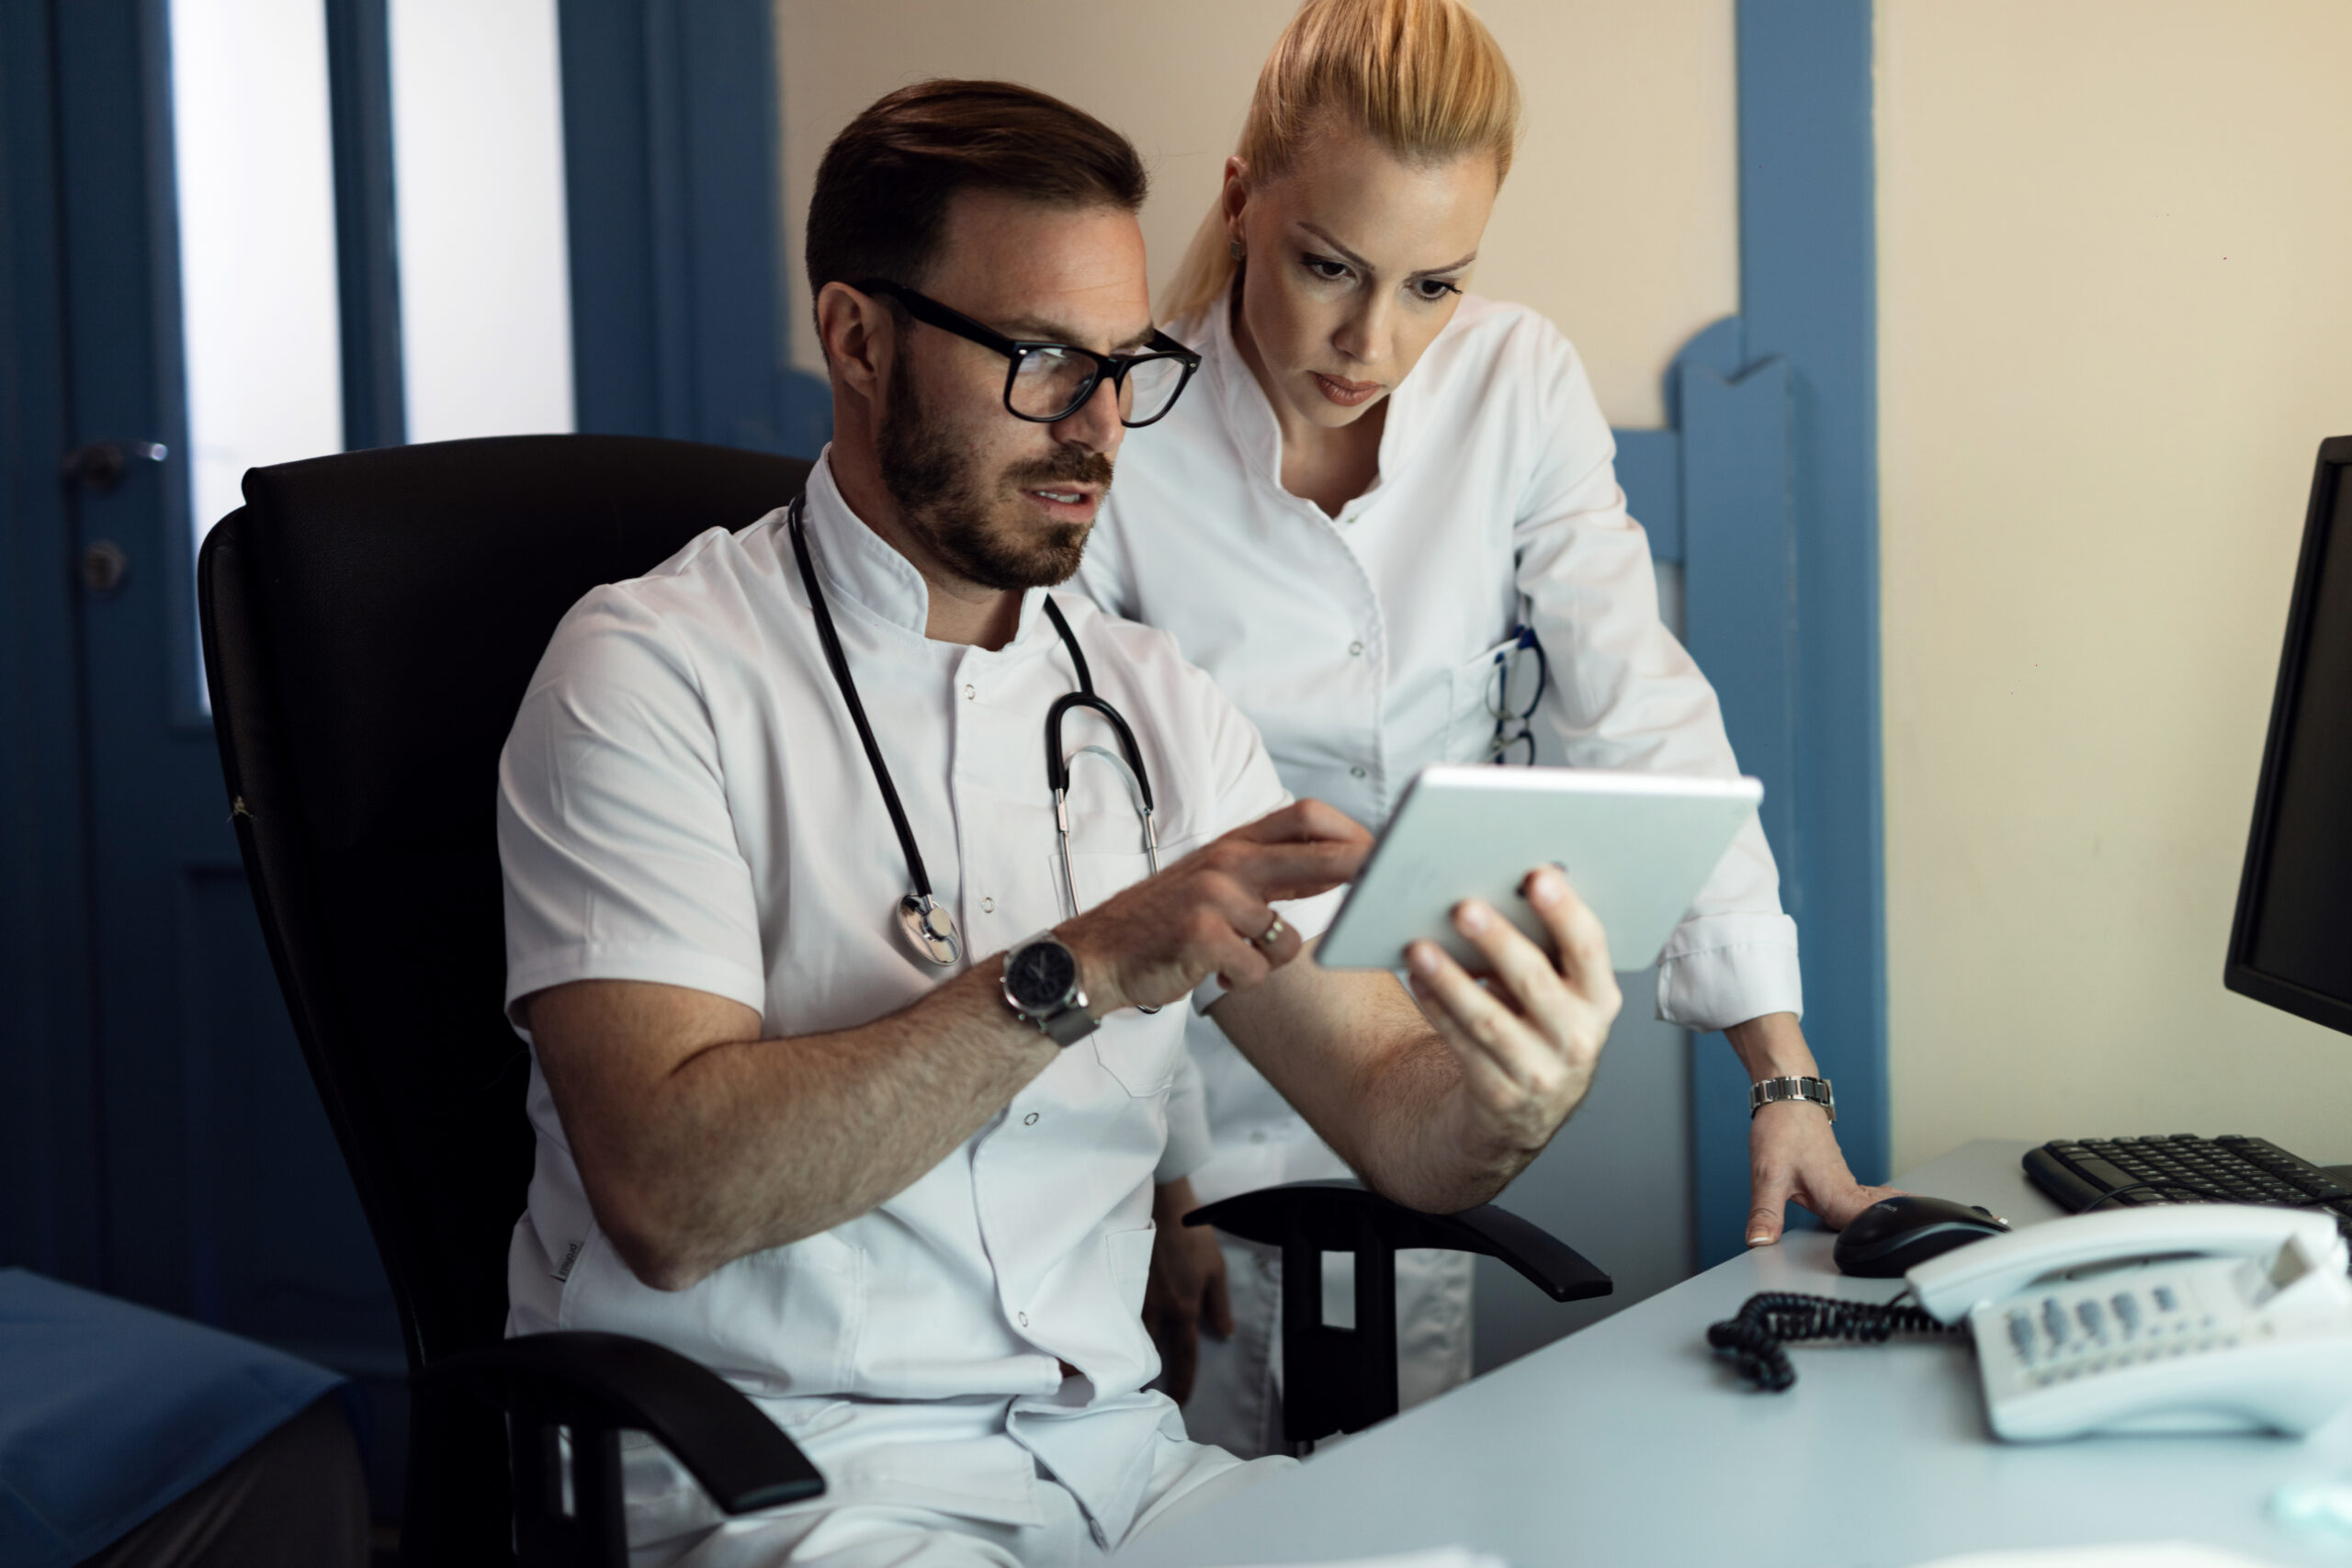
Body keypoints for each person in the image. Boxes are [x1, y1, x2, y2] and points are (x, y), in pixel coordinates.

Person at [497, 78, 1622, 1567]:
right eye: (1040, 361)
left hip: (1122, 1472)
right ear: (856, 336)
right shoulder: (648, 674)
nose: (1099, 426)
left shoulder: (1163, 709)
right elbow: (668, 1196)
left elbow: (1401, 1128)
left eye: (1123, 364)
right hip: (791, 1486)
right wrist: (1074, 971)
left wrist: (1510, 1091)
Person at [1080, 0, 1896, 1458]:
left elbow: (1644, 708)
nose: (1369, 340)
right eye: (1328, 266)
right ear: (1239, 197)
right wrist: (1159, 1175)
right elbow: (1092, 818)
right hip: (1173, 1068)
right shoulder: (1123, 429)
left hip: (1426, 1051)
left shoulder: (1516, 384)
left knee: (1396, 1480)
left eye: (1431, 285)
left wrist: (1783, 1072)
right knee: (1194, 1491)